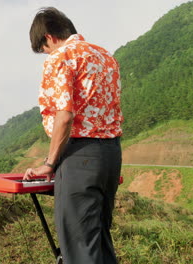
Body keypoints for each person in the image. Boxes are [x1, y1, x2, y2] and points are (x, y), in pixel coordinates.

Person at [24, 7, 123, 264]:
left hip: (80, 156)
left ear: (48, 37)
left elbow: (64, 115)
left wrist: (49, 163)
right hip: (111, 154)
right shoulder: (105, 56)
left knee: (80, 248)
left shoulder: (61, 58)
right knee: (99, 241)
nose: (46, 54)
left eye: (44, 49)